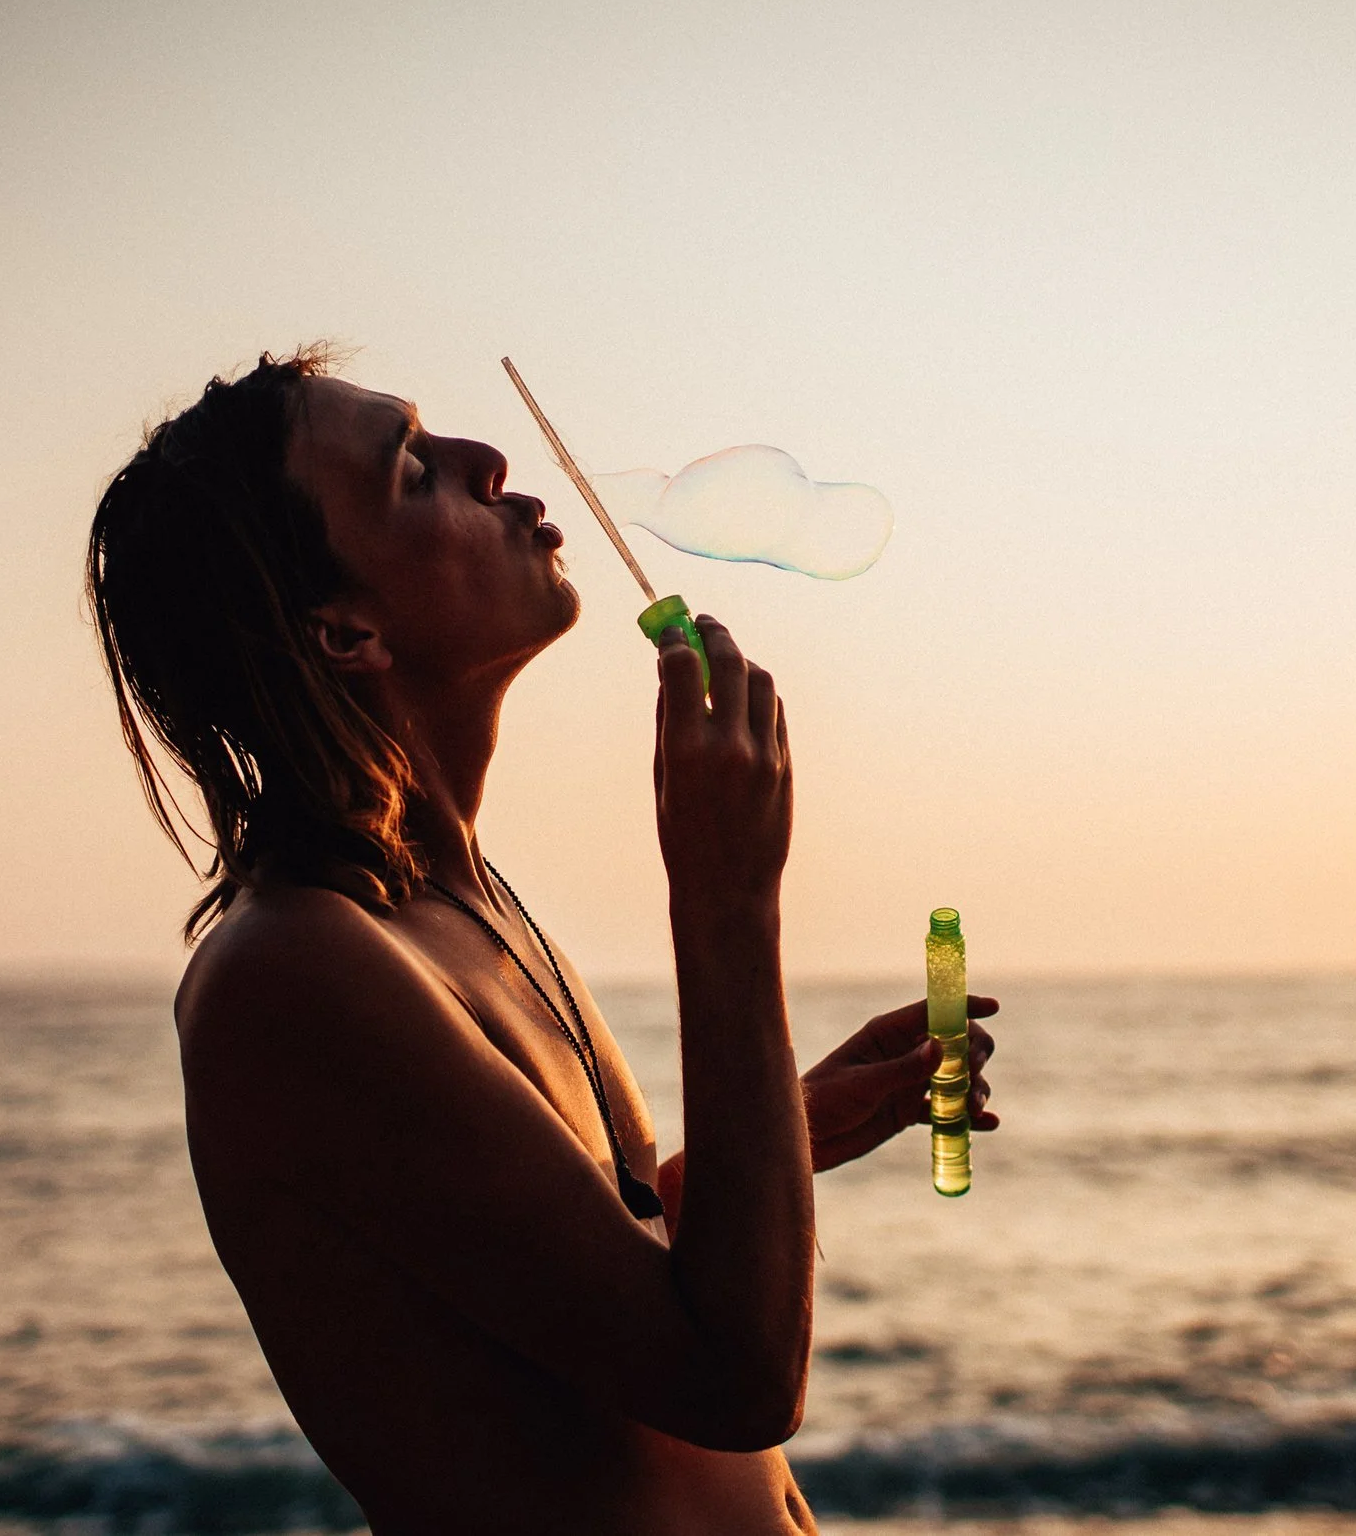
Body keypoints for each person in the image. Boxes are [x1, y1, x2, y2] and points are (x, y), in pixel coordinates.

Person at [85, 347, 1000, 1534]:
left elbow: (583, 1289)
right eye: (413, 470)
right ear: (342, 631)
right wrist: (725, 902)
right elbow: (733, 1381)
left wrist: (783, 1125)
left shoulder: (457, 899)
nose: (487, 461)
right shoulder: (294, 970)